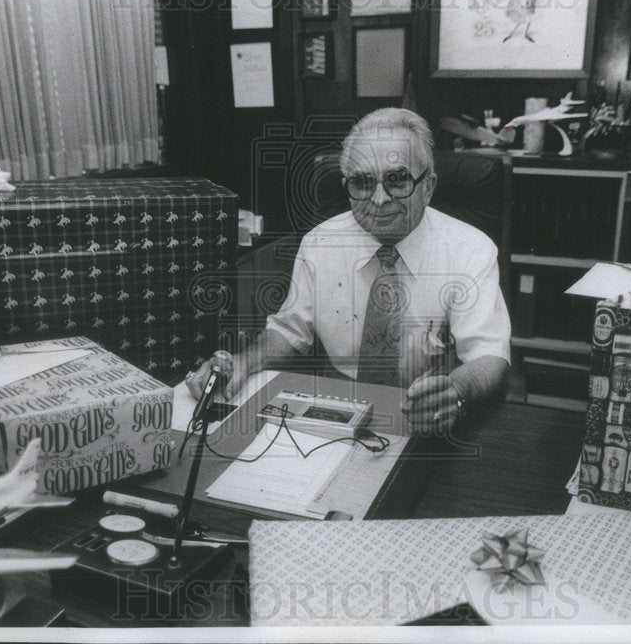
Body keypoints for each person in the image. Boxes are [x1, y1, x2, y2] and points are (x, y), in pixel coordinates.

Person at [187, 108, 510, 433]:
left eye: (397, 180)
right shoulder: (320, 243)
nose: (379, 199)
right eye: (362, 182)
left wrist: (456, 391)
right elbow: (289, 330)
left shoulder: (471, 249)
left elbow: (489, 355)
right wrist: (243, 362)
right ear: (347, 186)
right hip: (338, 407)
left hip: (429, 414)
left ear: (428, 186)